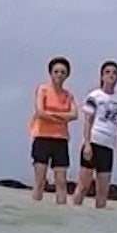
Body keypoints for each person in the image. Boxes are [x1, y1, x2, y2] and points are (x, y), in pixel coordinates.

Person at [72, 60, 117, 209]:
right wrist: (87, 143)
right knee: (83, 186)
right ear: (102, 75)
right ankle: (73, 215)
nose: (111, 76)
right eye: (108, 72)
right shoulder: (95, 96)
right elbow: (88, 121)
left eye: (114, 73)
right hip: (94, 142)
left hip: (108, 145)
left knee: (102, 191)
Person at [28, 56, 77, 203]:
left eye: (63, 72)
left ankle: (61, 214)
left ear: (67, 74)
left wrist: (53, 115)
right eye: (56, 71)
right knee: (40, 180)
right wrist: (62, 117)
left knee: (61, 182)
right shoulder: (43, 89)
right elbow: (40, 112)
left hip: (60, 139)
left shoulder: (68, 95)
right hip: (42, 137)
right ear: (50, 73)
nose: (59, 75)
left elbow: (74, 114)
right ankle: (35, 209)